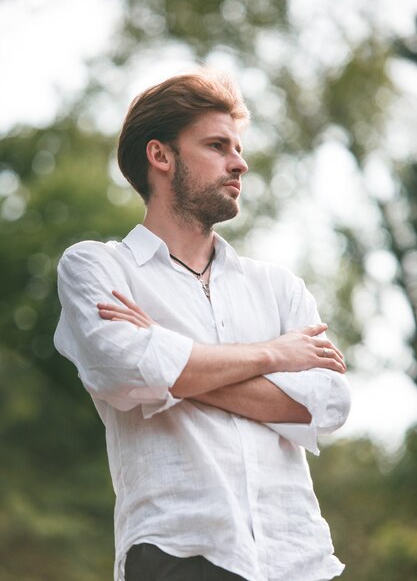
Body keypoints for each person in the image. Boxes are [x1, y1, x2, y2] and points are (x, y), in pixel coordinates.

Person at [54, 69, 351, 581]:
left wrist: (169, 360)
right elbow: (123, 369)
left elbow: (328, 402)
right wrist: (274, 354)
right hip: (178, 552)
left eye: (237, 147)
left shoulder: (279, 287)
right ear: (161, 156)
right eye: (217, 146)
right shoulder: (97, 268)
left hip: (297, 558)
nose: (241, 163)